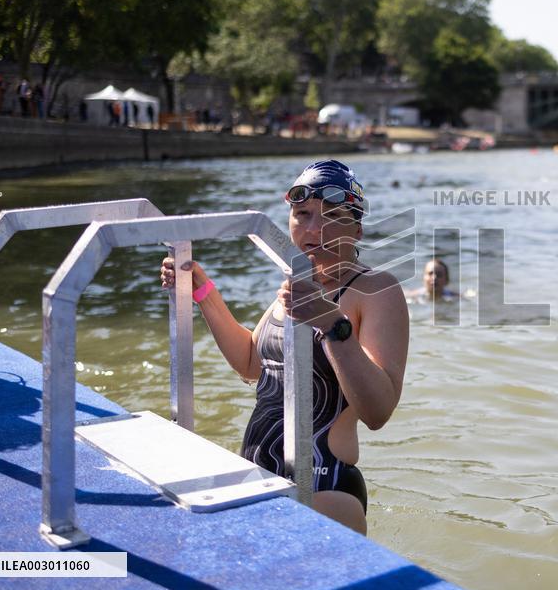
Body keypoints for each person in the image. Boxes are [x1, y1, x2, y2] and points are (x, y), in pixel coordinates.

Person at [160, 159, 409, 534]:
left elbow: (378, 411)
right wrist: (203, 292)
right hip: (258, 475)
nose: (314, 229)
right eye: (303, 214)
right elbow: (251, 364)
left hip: (323, 486)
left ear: (356, 229)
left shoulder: (376, 290)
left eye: (332, 216)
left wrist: (330, 323)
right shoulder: (296, 282)